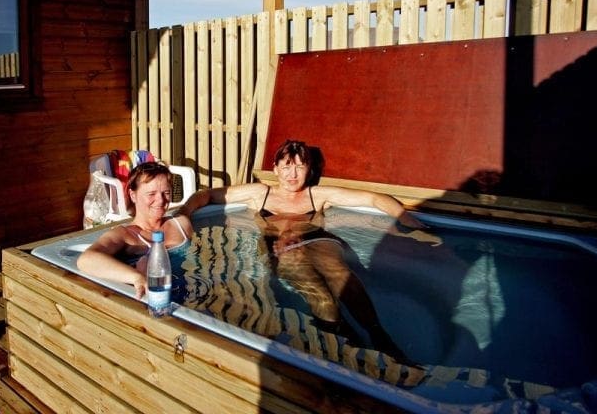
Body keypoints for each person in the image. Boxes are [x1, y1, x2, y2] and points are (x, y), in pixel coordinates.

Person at [177, 139, 435, 362]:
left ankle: (378, 335)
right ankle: (343, 339)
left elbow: (373, 198)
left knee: (341, 274)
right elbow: (207, 195)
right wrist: (184, 213)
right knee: (321, 295)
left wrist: (405, 218)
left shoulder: (317, 195)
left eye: (300, 166)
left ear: (309, 169)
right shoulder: (259, 194)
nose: (293, 174)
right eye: (287, 166)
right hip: (279, 245)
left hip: (318, 240)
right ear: (275, 169)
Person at [77, 161, 194, 299]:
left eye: (166, 193)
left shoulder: (181, 224)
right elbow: (86, 260)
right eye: (151, 194)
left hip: (188, 296)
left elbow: (201, 199)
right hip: (155, 301)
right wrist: (136, 277)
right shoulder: (125, 235)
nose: (161, 200)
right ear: (133, 195)